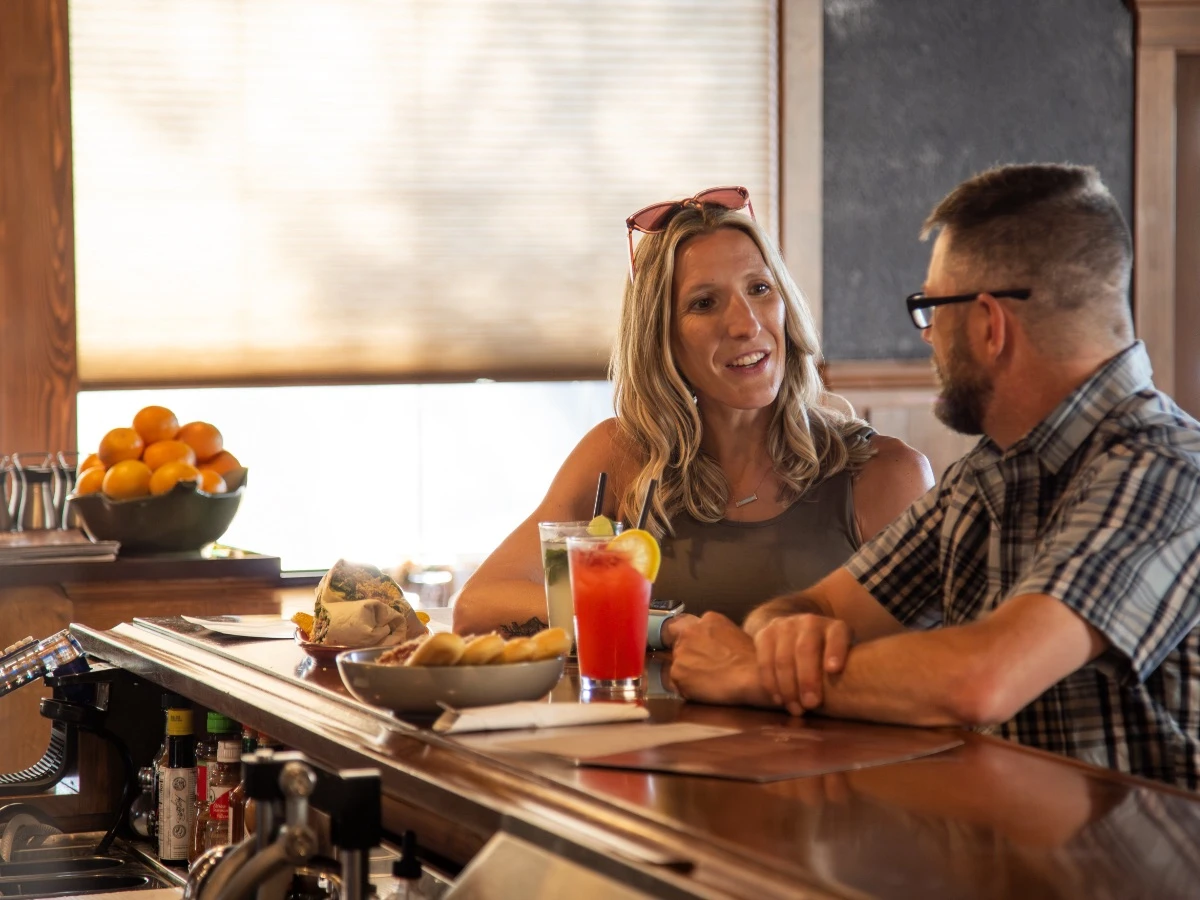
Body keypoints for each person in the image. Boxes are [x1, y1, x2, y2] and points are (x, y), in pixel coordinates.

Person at [670, 163, 1200, 790]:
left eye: (929, 310)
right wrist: (778, 640)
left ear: (987, 326)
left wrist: (755, 674)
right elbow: (810, 604)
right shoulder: (983, 478)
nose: (927, 340)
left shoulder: (1167, 470)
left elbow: (982, 679)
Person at [453, 187, 932, 640]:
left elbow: (923, 669)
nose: (747, 324)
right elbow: (477, 607)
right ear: (662, 338)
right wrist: (661, 628)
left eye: (760, 288)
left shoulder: (884, 475)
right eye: (704, 303)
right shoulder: (620, 457)